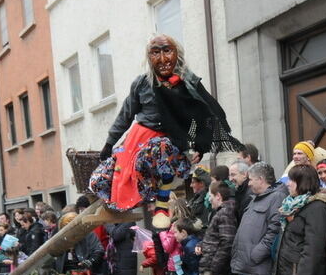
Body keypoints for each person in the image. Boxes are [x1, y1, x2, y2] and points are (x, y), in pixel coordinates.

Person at [90, 34, 242, 228]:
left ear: (176, 54)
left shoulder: (187, 82)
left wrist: (200, 146)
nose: (162, 59)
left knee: (160, 149)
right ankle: (118, 206)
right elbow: (125, 115)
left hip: (170, 142)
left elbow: (203, 113)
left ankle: (161, 205)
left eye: (167, 51)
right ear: (149, 57)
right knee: (100, 179)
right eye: (155, 53)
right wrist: (109, 143)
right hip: (139, 139)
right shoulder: (142, 84)